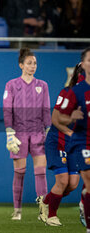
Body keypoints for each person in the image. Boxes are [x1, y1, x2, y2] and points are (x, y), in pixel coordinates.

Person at [3, 48, 51, 221]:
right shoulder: (11, 85)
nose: (33, 66)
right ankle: (17, 211)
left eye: (35, 63)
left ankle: (43, 211)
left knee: (41, 172)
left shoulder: (43, 85)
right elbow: (7, 109)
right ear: (21, 65)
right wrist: (9, 132)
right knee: (19, 172)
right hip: (19, 134)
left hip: (38, 133)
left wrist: (48, 131)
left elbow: (46, 110)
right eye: (29, 63)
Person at [40, 63, 85, 226]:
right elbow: (55, 119)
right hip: (58, 141)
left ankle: (45, 202)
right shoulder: (67, 92)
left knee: (72, 184)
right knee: (63, 181)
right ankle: (51, 216)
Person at [57, 47, 90, 233]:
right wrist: (71, 118)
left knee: (81, 185)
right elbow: (59, 116)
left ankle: (84, 202)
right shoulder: (76, 89)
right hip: (82, 140)